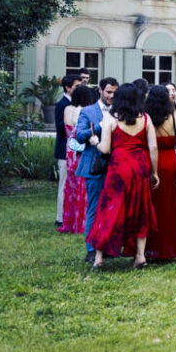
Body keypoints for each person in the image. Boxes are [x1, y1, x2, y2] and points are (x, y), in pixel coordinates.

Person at [87, 84, 159, 270]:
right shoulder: (145, 118)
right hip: (139, 167)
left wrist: (95, 142)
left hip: (118, 168)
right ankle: (140, 256)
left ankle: (99, 257)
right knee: (140, 210)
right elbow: (153, 148)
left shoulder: (110, 118)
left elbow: (105, 149)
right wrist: (154, 172)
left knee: (110, 209)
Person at [144, 85, 176, 261]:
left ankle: (149, 248)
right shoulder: (174, 117)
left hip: (150, 162)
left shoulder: (145, 118)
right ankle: (167, 248)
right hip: (169, 163)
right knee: (169, 206)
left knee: (151, 205)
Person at [75, 77, 117, 263]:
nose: (111, 96)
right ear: (100, 90)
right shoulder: (88, 111)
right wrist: (101, 126)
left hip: (115, 165)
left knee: (111, 207)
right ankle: (91, 248)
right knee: (94, 207)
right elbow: (80, 136)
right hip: (94, 165)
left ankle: (107, 245)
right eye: (108, 92)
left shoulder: (119, 111)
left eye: (114, 92)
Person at [59, 84, 95, 234]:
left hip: (69, 151)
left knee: (71, 186)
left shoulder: (67, 109)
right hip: (81, 151)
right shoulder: (85, 111)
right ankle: (81, 222)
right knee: (83, 186)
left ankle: (70, 221)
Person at [54, 74, 81, 228]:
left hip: (74, 151)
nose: (79, 88)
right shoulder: (62, 105)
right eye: (77, 86)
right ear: (68, 88)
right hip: (65, 151)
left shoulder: (76, 105)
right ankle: (60, 217)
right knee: (64, 184)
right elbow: (60, 128)